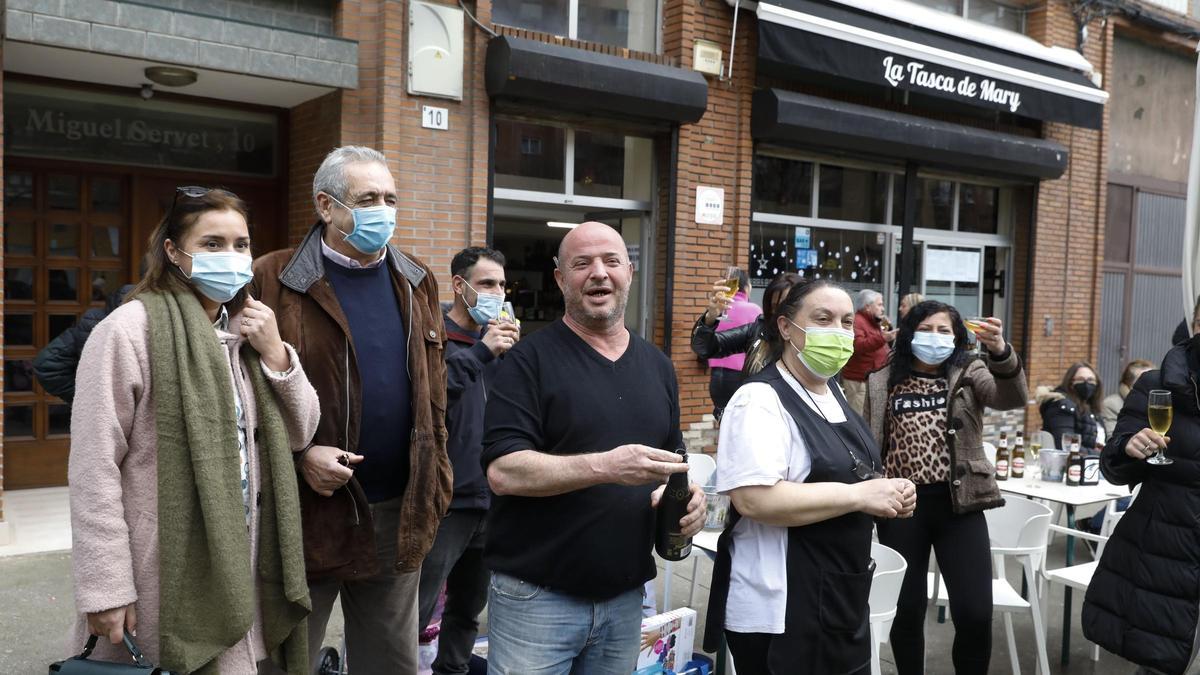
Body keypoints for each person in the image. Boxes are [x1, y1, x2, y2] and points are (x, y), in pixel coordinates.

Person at [68, 187, 319, 673]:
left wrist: (277, 354)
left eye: (241, 244)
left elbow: (300, 432)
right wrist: (106, 586)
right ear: (173, 252)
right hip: (161, 570)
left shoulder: (248, 334)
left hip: (240, 561)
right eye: (212, 244)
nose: (231, 257)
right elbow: (93, 465)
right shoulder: (128, 331)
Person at [252, 146, 452, 672]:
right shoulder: (272, 278)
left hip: (396, 510)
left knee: (391, 662)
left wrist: (437, 480)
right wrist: (298, 457)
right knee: (287, 661)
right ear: (326, 206)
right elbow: (241, 396)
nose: (383, 210)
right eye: (368, 199)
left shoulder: (416, 280)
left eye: (390, 198)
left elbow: (435, 392)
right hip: (302, 513)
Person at [481, 221, 706, 673]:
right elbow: (503, 472)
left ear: (629, 272)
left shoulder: (658, 367)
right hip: (537, 600)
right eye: (581, 264)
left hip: (625, 598)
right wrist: (606, 466)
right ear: (561, 279)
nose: (598, 273)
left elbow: (673, 463)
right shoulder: (527, 362)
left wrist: (687, 499)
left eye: (610, 261)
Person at [704, 278, 916, 675]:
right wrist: (859, 497)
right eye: (823, 319)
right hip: (782, 608)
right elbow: (754, 500)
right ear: (786, 327)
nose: (838, 332)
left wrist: (887, 489)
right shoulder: (759, 400)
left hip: (839, 596)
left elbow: (852, 468)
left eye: (845, 321)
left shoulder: (831, 391)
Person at [864, 301, 1026, 675]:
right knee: (907, 610)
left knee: (974, 611)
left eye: (944, 330)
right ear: (909, 333)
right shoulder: (883, 377)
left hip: (959, 503)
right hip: (903, 505)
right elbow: (872, 441)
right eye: (926, 328)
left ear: (957, 338)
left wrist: (1001, 351)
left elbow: (1011, 396)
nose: (934, 337)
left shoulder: (969, 371)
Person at [416, 247, 519, 675]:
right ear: (459, 285)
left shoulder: (499, 344)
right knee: (414, 610)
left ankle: (453, 670)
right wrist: (481, 354)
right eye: (487, 284)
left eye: (502, 285)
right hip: (445, 501)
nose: (497, 293)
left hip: (490, 498)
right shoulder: (431, 335)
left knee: (467, 609)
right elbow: (429, 400)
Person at [1082, 336, 1200, 675]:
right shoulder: (1157, 384)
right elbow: (1113, 468)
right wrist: (1128, 447)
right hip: (1166, 554)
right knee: (1164, 662)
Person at [33, 283, 134, 402]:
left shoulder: (96, 319)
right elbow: (47, 365)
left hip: (104, 409)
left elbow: (46, 365)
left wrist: (88, 401)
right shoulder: (149, 320)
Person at [690, 272, 801, 380]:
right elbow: (704, 348)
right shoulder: (759, 331)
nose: (781, 315)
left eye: (789, 307)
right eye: (775, 306)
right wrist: (709, 318)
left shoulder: (812, 341)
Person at [701, 267, 762, 419]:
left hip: (716, 377)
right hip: (740, 377)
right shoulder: (754, 310)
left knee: (723, 422)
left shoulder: (718, 310)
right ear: (746, 287)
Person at [842, 289, 895, 415]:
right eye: (879, 304)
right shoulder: (857, 322)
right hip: (859, 382)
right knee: (859, 418)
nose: (883, 308)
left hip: (870, 379)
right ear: (867, 307)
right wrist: (884, 338)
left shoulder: (873, 321)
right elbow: (858, 346)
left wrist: (888, 333)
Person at [1038, 362, 1105, 450]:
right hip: (1074, 462)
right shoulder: (1062, 406)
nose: (1086, 384)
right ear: (1070, 382)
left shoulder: (1091, 407)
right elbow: (1067, 446)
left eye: (1091, 380)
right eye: (1080, 379)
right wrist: (1101, 456)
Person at [1103, 359, 1154, 435]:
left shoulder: (1155, 405)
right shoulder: (1111, 404)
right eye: (1145, 382)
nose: (1151, 385)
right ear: (1128, 384)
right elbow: (1112, 438)